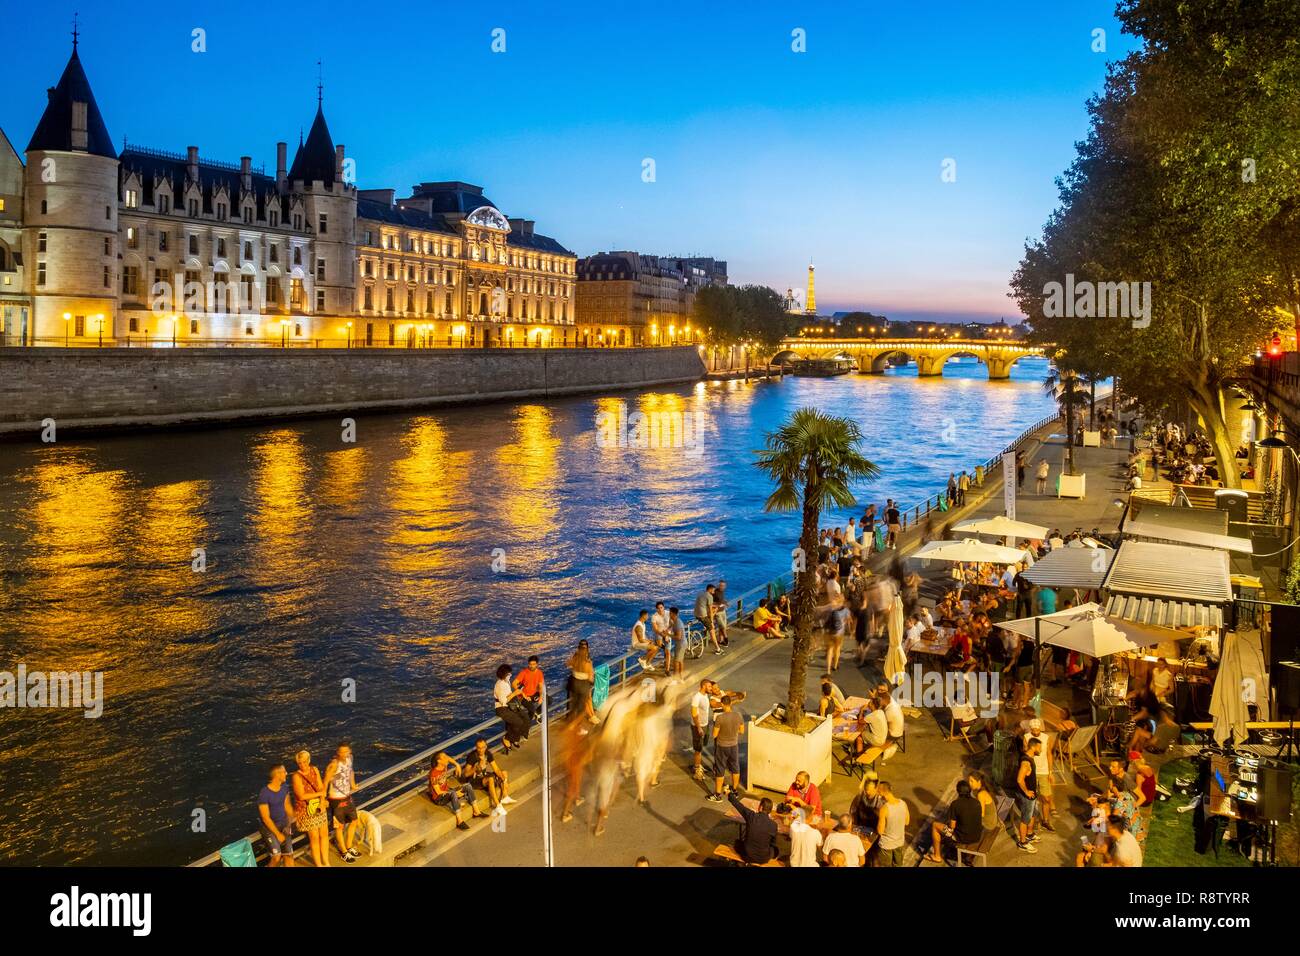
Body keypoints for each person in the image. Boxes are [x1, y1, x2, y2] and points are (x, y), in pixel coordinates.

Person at [927, 779, 983, 863]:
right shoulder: (977, 802)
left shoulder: (955, 804)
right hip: (977, 836)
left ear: (958, 791)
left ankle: (937, 856)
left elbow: (952, 826)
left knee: (935, 825)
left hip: (962, 838)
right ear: (969, 790)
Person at [428, 751, 486, 831]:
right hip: (439, 798)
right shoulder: (433, 774)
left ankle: (476, 811)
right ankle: (459, 821)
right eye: (444, 758)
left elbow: (449, 758)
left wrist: (457, 765)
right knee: (452, 793)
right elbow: (438, 792)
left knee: (467, 785)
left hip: (447, 791)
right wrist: (454, 792)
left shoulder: (443, 765)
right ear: (439, 761)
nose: (447, 759)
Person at [292, 750, 330, 867]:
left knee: (324, 834)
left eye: (304, 762)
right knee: (314, 837)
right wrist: (319, 795)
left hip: (319, 806)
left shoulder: (314, 770)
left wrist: (322, 802)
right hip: (306, 810)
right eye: (300, 763)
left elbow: (320, 787)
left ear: (308, 760)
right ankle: (319, 864)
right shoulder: (296, 776)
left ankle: (326, 862)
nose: (302, 765)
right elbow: (301, 795)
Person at [324, 742, 361, 863]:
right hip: (336, 799)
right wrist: (323, 799)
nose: (344, 754)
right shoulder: (333, 765)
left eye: (346, 751)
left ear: (349, 751)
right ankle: (343, 852)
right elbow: (325, 782)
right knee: (339, 827)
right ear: (337, 752)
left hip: (347, 796)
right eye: (341, 752)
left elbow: (350, 772)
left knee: (354, 821)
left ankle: (349, 846)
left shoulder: (350, 758)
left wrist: (353, 785)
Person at [257, 763, 296, 867]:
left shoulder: (284, 788)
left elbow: (288, 807)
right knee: (276, 857)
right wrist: (278, 834)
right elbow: (265, 818)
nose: (286, 773)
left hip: (283, 825)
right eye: (284, 772)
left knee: (289, 855)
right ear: (277, 774)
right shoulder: (264, 793)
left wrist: (289, 825)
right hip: (270, 828)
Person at [708, 695, 744, 802]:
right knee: (735, 768)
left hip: (722, 747)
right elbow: (741, 731)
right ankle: (734, 791)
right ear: (731, 703)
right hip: (734, 746)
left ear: (722, 704)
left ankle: (718, 795)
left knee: (720, 770)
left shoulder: (720, 718)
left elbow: (714, 735)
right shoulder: (738, 715)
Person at [464, 737, 515, 809]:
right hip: (474, 781)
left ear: (486, 746)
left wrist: (503, 778)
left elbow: (496, 769)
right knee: (490, 779)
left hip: (483, 776)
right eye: (479, 748)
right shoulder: (472, 756)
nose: (481, 750)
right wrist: (475, 768)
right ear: (476, 747)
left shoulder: (487, 754)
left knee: (504, 772)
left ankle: (505, 797)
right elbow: (466, 774)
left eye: (483, 747)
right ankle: (498, 806)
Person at [727, 792, 778, 865]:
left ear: (760, 807)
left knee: (737, 843)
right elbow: (773, 843)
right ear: (769, 811)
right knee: (775, 850)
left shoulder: (751, 816)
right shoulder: (774, 825)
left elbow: (738, 805)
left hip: (747, 856)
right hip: (763, 858)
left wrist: (729, 794)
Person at [1023, 718, 1056, 830]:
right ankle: (1034, 820)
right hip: (1032, 771)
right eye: (1034, 729)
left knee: (1046, 798)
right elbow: (1025, 753)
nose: (1036, 731)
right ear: (1031, 729)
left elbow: (1049, 755)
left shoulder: (1046, 738)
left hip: (1044, 771)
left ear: (1040, 728)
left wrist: (1051, 772)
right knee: (1033, 798)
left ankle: (1045, 820)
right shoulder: (1026, 737)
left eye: (1038, 729)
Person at [494, 663, 531, 750]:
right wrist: (515, 693)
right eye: (509, 674)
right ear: (504, 674)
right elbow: (503, 701)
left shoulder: (507, 682)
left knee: (524, 716)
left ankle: (515, 738)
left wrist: (518, 693)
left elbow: (509, 695)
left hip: (510, 705)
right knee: (518, 721)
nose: (510, 675)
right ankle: (506, 738)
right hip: (501, 708)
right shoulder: (500, 685)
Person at [1015, 737, 1041, 853]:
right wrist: (1026, 792)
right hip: (1027, 796)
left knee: (1034, 814)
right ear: (1033, 747)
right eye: (1039, 747)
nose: (1041, 749)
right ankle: (1022, 842)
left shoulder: (1030, 757)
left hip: (1032, 794)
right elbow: (1020, 780)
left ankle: (1029, 834)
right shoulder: (1026, 762)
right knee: (1025, 818)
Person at [875, 781, 908, 867]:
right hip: (899, 842)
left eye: (878, 792)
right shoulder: (903, 803)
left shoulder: (884, 809)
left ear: (882, 793)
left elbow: (880, 831)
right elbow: (907, 822)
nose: (878, 794)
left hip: (887, 844)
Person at [567, 642, 598, 724]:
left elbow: (568, 664)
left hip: (577, 683)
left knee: (587, 700)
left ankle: (592, 715)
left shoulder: (577, 657)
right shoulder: (585, 659)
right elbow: (590, 673)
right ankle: (590, 717)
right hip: (584, 683)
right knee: (585, 701)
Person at [690, 679, 714, 782]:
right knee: (698, 749)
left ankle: (698, 765)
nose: (711, 688)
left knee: (702, 745)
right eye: (709, 687)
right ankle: (697, 770)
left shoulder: (705, 696)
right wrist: (699, 727)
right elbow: (694, 714)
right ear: (704, 686)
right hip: (698, 726)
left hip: (705, 725)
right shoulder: (696, 697)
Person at [512, 656, 545, 724]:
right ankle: (526, 726)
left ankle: (537, 713)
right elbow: (514, 683)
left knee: (549, 700)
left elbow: (541, 686)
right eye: (530, 664)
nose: (531, 666)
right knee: (531, 709)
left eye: (533, 664)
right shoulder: (524, 672)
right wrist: (522, 694)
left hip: (533, 694)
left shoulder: (539, 673)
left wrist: (541, 697)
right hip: (524, 697)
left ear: (537, 664)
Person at [694, 583, 722, 655]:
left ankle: (705, 628)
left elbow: (704, 605)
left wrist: (714, 607)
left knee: (715, 608)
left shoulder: (701, 593)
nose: (714, 592)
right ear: (710, 589)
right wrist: (712, 622)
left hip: (696, 614)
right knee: (712, 630)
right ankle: (718, 649)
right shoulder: (709, 596)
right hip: (702, 616)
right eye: (713, 590)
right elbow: (709, 610)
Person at [667, 606, 687, 681]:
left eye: (669, 613)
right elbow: (672, 625)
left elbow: (678, 637)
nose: (669, 614)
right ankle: (681, 677)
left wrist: (668, 634)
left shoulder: (678, 623)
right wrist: (668, 628)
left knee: (676, 662)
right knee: (680, 661)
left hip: (680, 645)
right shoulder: (676, 621)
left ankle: (675, 679)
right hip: (682, 644)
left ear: (672, 613)